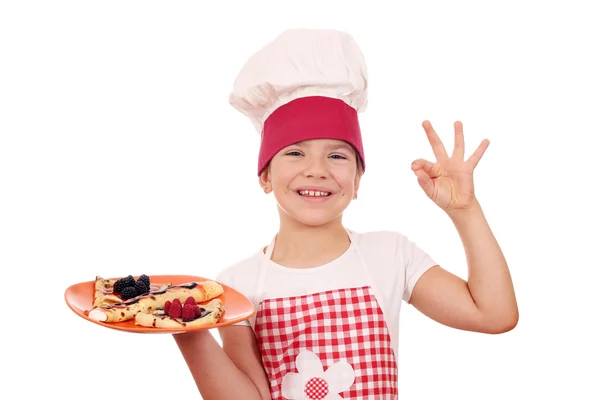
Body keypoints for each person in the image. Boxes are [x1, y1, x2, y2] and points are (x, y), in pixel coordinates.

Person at [174, 29, 518, 400]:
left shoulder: (390, 255)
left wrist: (464, 209)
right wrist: (185, 328)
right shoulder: (237, 283)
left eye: (337, 155)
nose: (317, 169)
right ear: (265, 176)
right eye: (295, 152)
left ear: (357, 181)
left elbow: (494, 315)